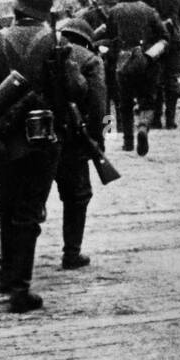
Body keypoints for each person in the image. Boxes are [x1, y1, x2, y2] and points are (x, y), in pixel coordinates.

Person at [0, 0, 86, 310]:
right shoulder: (57, 43)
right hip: (41, 138)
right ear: (45, 13)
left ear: (16, 10)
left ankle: (8, 278)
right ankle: (20, 289)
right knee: (29, 212)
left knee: (5, 207)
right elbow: (77, 88)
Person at [55, 17, 107, 269]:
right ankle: (71, 253)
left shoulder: (47, 51)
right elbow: (99, 108)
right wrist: (98, 142)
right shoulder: (90, 59)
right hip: (73, 138)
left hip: (38, 134)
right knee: (77, 196)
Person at [108, 0, 167, 156]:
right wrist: (151, 54)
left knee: (125, 103)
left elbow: (111, 38)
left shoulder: (113, 12)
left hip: (124, 62)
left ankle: (128, 142)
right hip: (147, 62)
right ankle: (142, 127)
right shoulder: (150, 11)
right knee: (148, 101)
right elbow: (164, 37)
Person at [141, 0, 180, 130]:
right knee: (171, 79)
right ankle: (171, 119)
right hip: (175, 38)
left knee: (155, 79)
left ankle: (156, 119)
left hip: (154, 40)